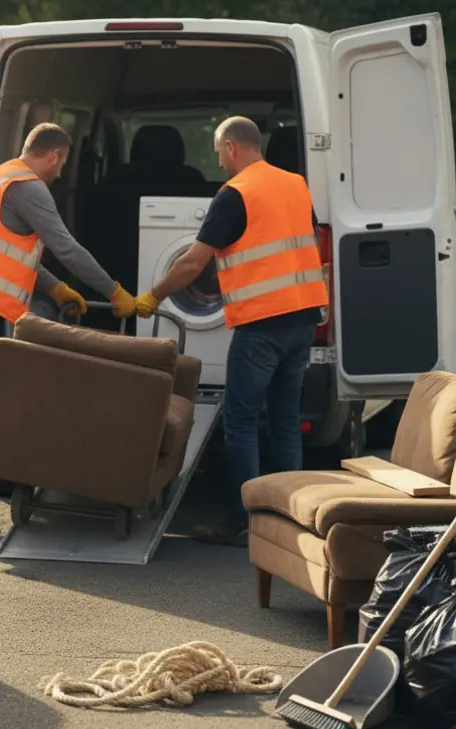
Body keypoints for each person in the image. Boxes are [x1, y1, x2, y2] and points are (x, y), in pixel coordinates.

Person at [0, 122, 139, 546]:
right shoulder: (29, 187)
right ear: (55, 155)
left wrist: (54, 287)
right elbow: (67, 248)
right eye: (63, 163)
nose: (61, 174)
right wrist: (114, 292)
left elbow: (10, 252)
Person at [132, 116, 327, 547]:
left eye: (220, 152)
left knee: (240, 421)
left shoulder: (235, 193)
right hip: (302, 320)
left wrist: (153, 296)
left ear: (233, 147)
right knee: (285, 421)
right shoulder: (296, 184)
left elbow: (190, 263)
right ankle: (286, 518)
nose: (220, 162)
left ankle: (243, 520)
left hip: (262, 325)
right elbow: (307, 243)